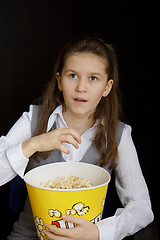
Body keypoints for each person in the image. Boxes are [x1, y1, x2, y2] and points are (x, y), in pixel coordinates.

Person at [0, 37, 153, 240]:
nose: (81, 87)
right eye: (72, 76)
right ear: (59, 81)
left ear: (107, 88)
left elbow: (142, 209)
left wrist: (99, 232)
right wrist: (33, 144)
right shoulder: (32, 120)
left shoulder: (119, 134)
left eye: (93, 78)